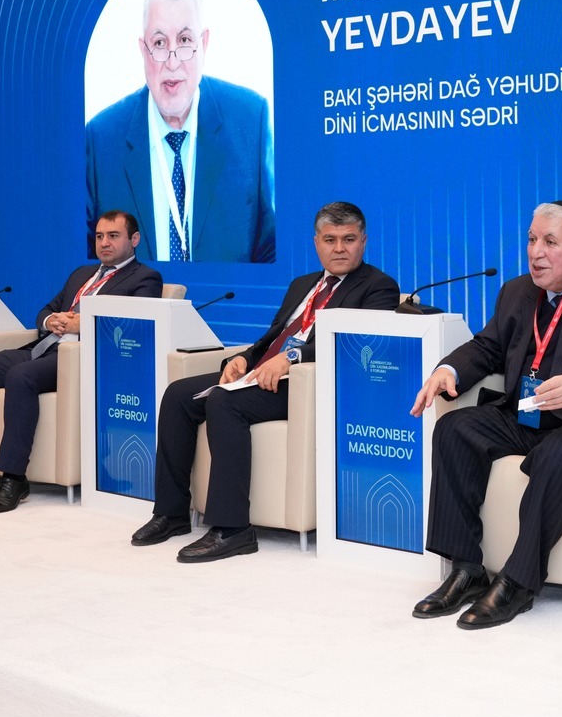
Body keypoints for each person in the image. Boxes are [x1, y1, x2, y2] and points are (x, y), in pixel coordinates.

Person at [408, 201, 562, 630]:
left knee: (558, 455)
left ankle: (518, 583)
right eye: (532, 239)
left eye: (550, 242)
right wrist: (448, 370)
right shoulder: (517, 291)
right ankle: (466, 569)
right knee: (454, 428)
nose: (536, 252)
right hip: (525, 413)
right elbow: (487, 347)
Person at [132, 201, 402, 561]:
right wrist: (243, 359)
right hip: (262, 374)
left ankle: (232, 529)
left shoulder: (379, 287)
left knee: (224, 401)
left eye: (349, 239)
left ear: (364, 242)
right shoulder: (302, 284)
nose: (339, 248)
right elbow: (273, 337)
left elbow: (355, 345)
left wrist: (292, 359)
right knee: (179, 394)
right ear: (316, 243)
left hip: (309, 384)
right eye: (330, 240)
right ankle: (172, 513)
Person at [0, 211, 162, 513]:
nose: (104, 243)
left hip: (84, 360)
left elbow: (134, 326)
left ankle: (13, 478)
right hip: (43, 349)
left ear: (134, 239)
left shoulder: (144, 278)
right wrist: (51, 320)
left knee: (21, 376)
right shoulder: (81, 274)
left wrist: (83, 323)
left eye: (113, 236)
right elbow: (45, 310)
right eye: (99, 236)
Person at [85, 0, 276, 264]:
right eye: (160, 43)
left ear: (204, 44)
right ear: (143, 50)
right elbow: (86, 262)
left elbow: (270, 248)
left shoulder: (251, 121)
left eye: (185, 40)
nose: (173, 63)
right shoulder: (100, 139)